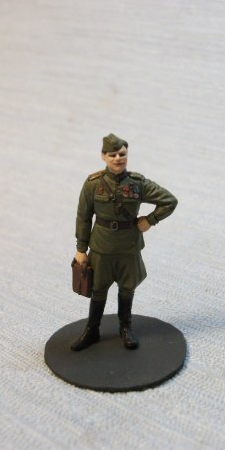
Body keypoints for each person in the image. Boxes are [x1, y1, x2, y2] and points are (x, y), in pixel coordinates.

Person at [71, 133, 178, 351]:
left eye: (122, 154)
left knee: (127, 288)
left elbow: (169, 201)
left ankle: (126, 328)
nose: (118, 158)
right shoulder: (93, 184)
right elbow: (83, 217)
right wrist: (81, 248)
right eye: (113, 154)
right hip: (101, 248)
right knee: (98, 289)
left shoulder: (137, 184)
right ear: (103, 156)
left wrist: (150, 220)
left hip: (128, 247)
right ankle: (92, 329)